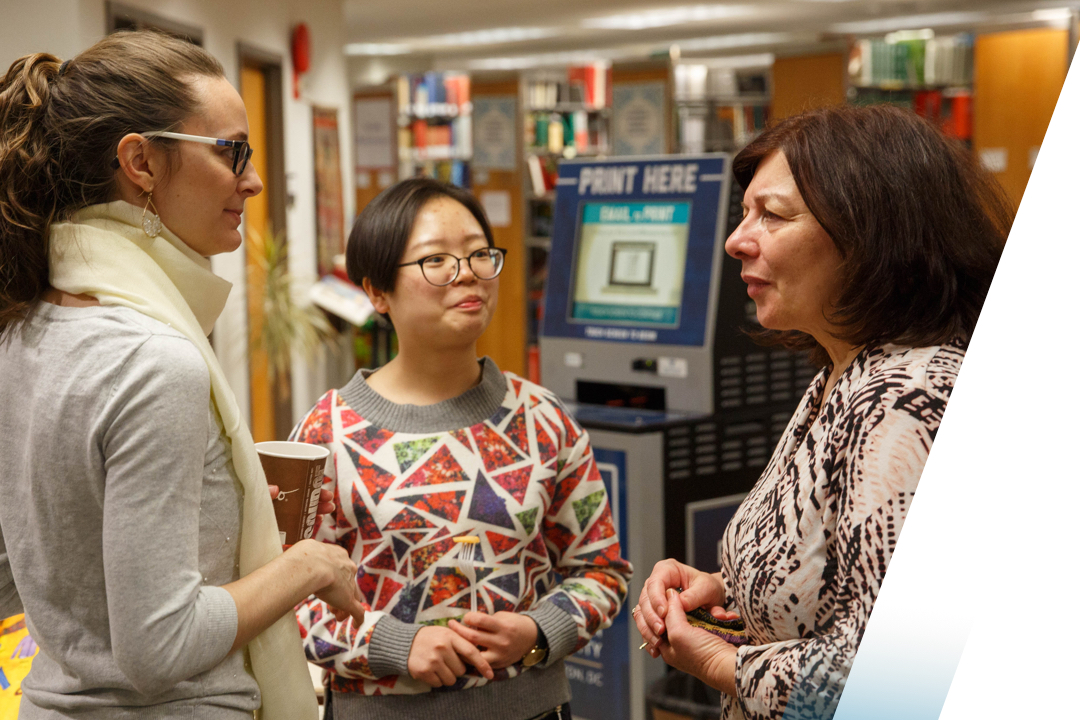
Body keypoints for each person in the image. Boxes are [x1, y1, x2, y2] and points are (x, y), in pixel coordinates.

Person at [0, 31, 365, 720]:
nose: (252, 180)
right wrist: (307, 566)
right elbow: (159, 645)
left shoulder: (26, 327)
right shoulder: (151, 360)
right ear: (140, 161)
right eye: (232, 153)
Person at [632, 104, 1011, 720]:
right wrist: (728, 590)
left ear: (872, 236)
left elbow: (898, 678)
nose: (735, 240)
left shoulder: (905, 401)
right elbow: (845, 574)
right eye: (744, 213)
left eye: (772, 216)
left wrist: (714, 661)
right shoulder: (840, 375)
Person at [290, 177, 632, 720]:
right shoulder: (328, 431)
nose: (468, 272)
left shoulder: (542, 418)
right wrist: (395, 647)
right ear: (377, 291)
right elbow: (289, 596)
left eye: (478, 254)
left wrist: (539, 630)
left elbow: (602, 569)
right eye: (436, 261)